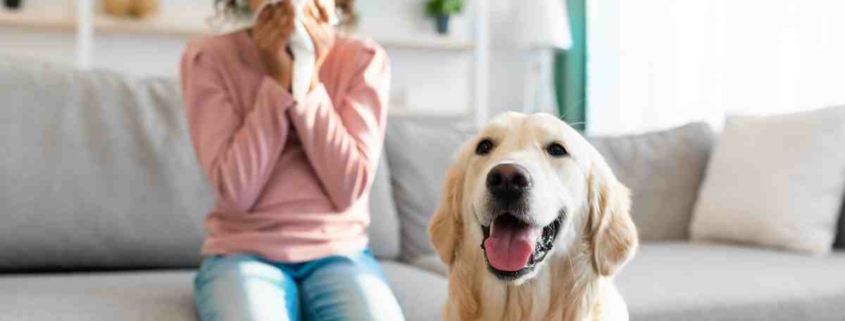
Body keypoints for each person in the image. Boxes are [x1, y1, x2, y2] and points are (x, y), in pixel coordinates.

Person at [180, 0, 403, 320]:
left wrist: (307, 79)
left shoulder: (364, 59)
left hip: (340, 253)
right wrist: (276, 82)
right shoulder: (208, 58)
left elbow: (348, 188)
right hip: (242, 253)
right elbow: (236, 193)